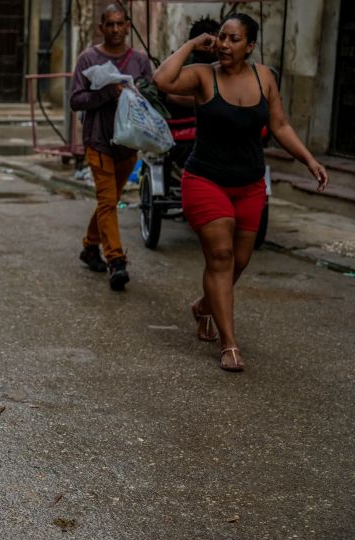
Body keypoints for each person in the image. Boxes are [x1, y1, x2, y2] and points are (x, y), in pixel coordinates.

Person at [154, 13, 328, 372]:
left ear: (250, 46)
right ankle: (229, 343)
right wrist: (191, 45)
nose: (225, 44)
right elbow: (162, 80)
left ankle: (203, 306)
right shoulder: (204, 76)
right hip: (205, 181)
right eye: (221, 37)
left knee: (240, 260)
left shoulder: (265, 78)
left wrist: (308, 160)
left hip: (249, 185)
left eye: (234, 39)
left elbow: (279, 125)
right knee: (220, 255)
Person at [70, 4, 153, 291]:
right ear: (101, 28)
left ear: (128, 25)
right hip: (99, 141)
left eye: (120, 24)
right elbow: (76, 100)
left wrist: (139, 92)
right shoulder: (88, 59)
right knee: (108, 202)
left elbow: (152, 92)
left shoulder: (140, 61)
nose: (116, 29)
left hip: (128, 144)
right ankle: (116, 260)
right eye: (110, 24)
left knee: (109, 200)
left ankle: (90, 246)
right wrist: (107, 93)